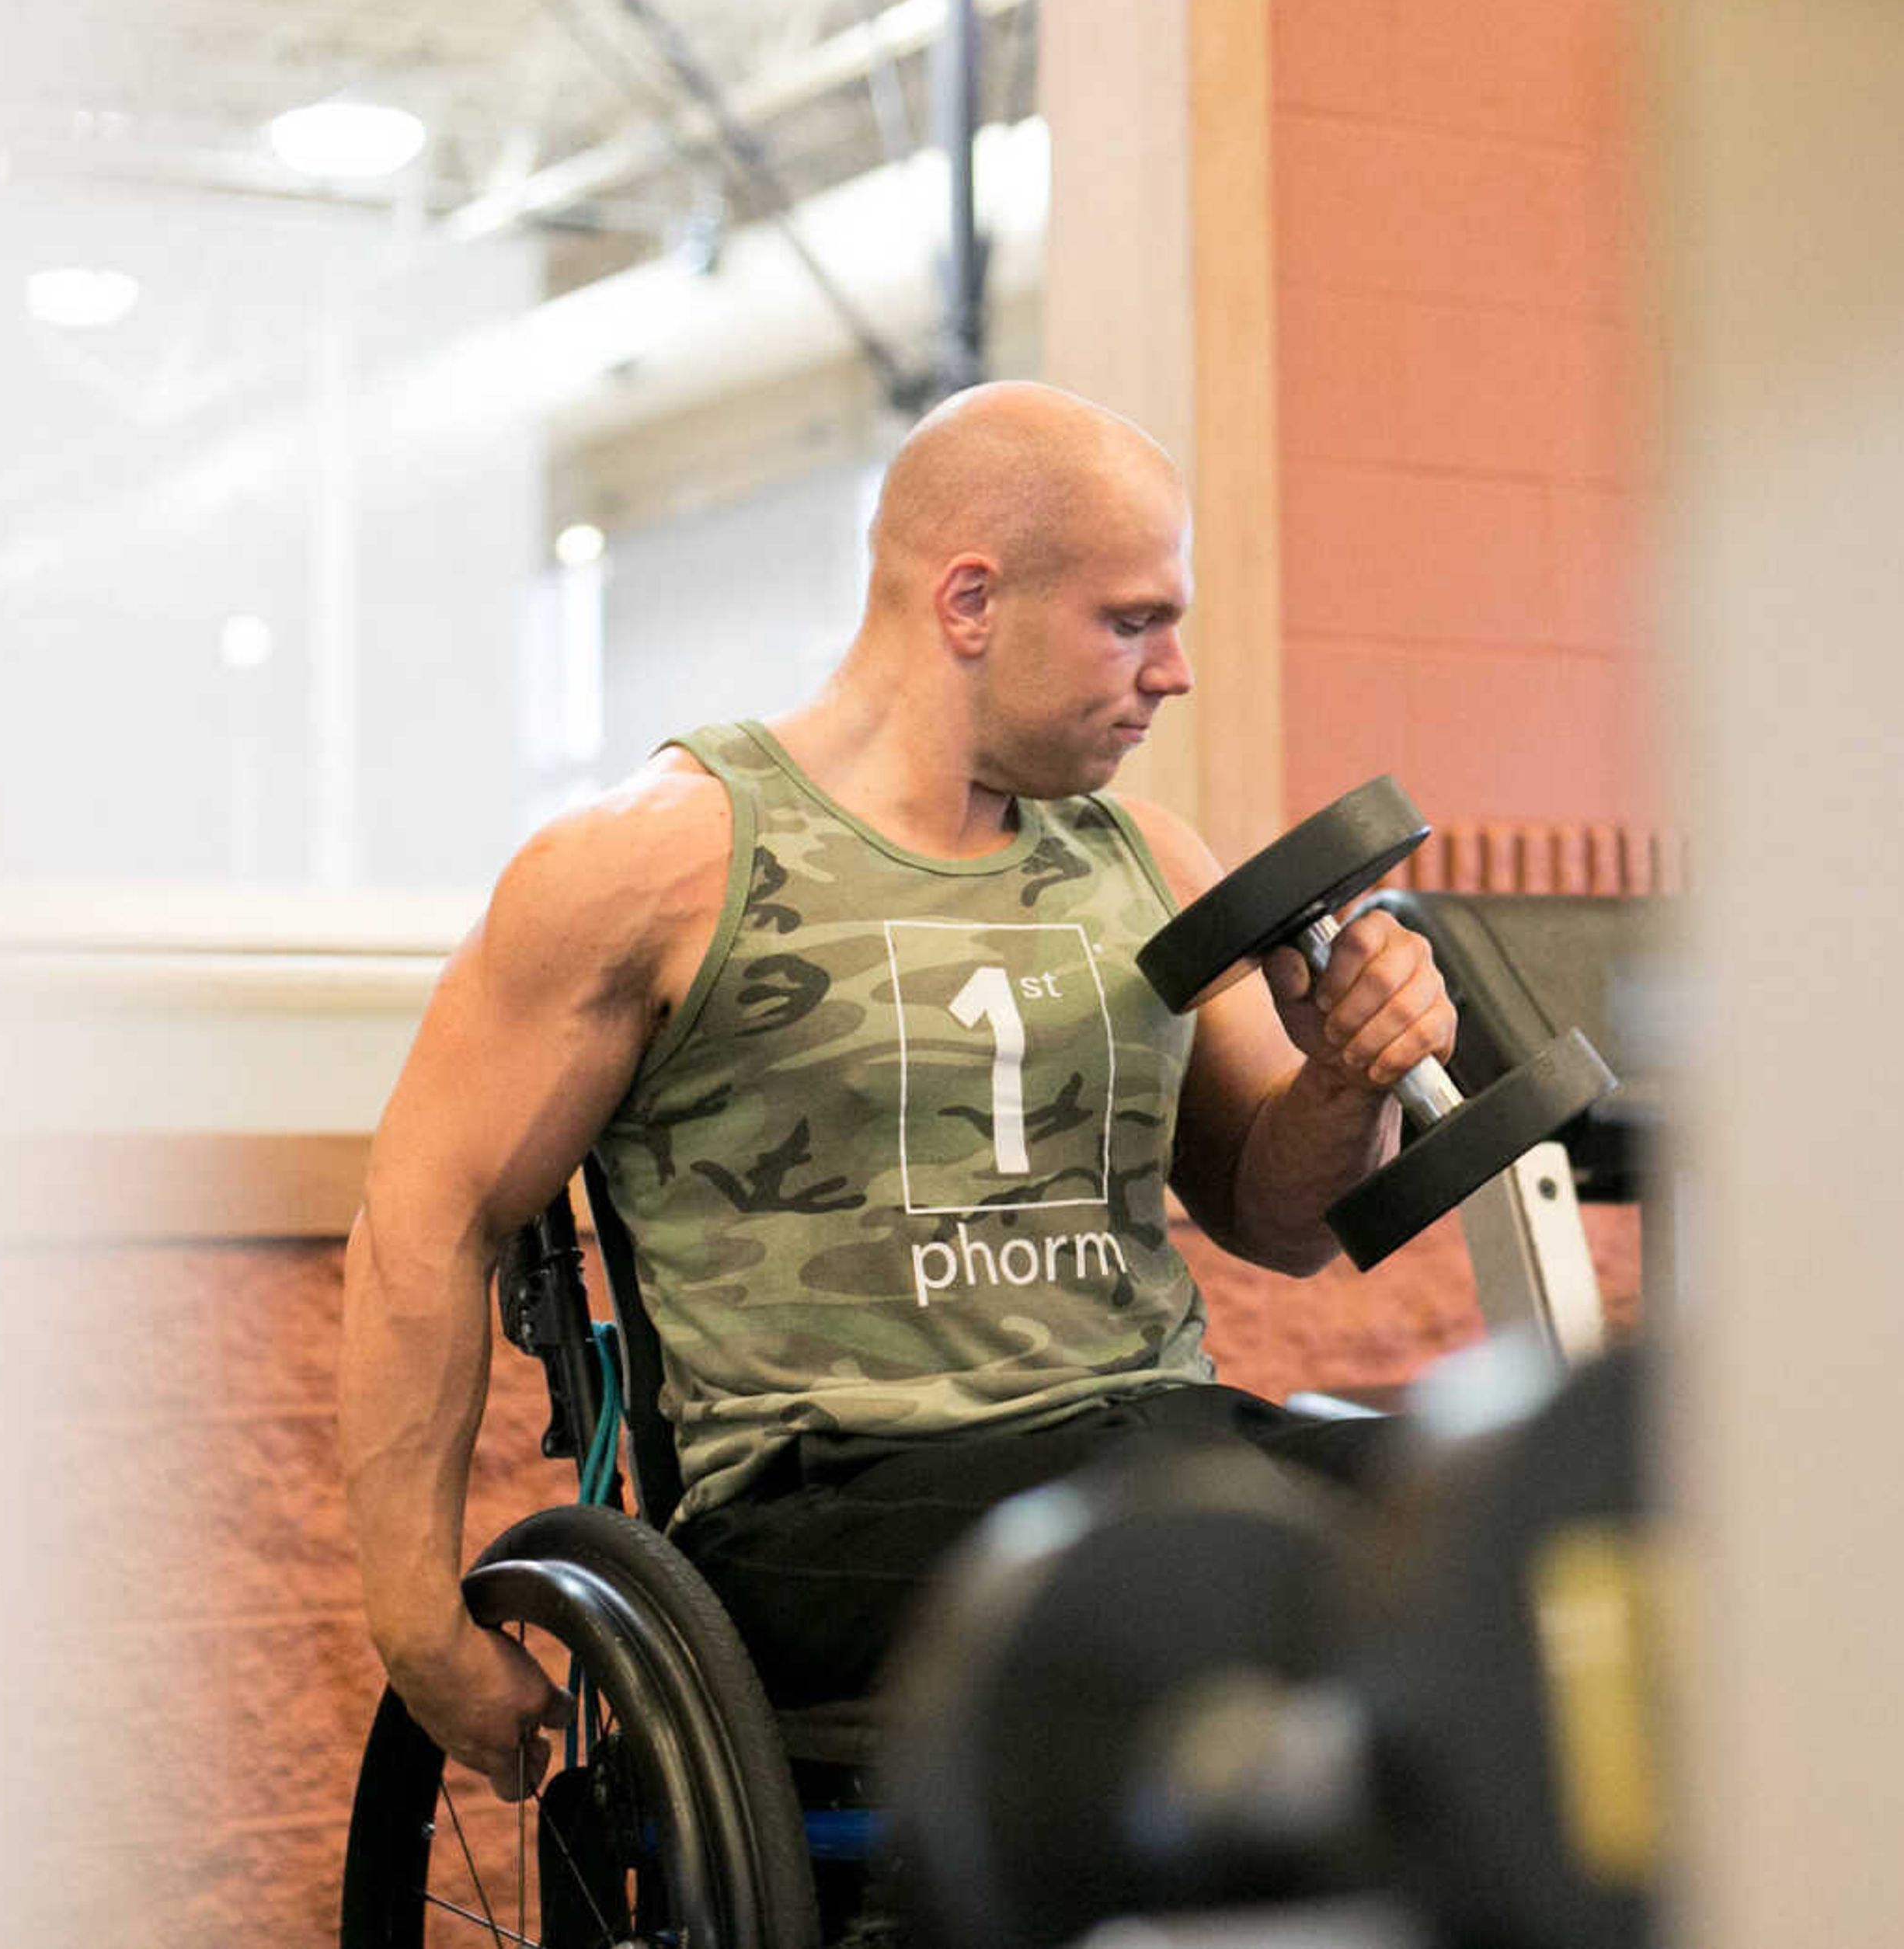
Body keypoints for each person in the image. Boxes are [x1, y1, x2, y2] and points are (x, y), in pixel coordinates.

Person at [339, 381, 1456, 1803]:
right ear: (971, 600)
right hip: (825, 1508)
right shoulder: (659, 866)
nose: (1173, 671)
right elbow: (421, 1220)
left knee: (1504, 1507)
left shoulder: (1147, 860)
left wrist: (1350, 1072)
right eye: (1134, 621)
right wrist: (417, 1622)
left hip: (1147, 1438)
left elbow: (1283, 1217)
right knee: (1200, 1549)